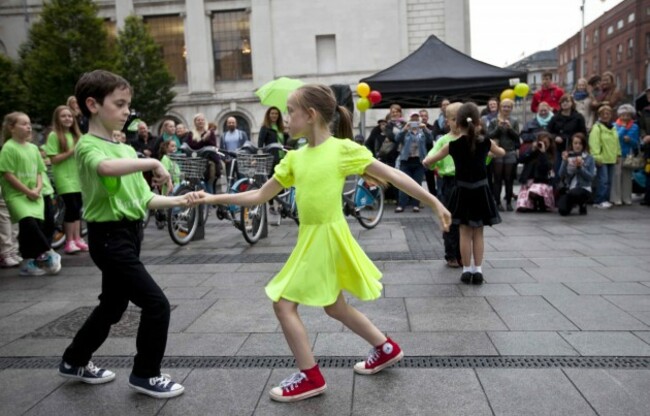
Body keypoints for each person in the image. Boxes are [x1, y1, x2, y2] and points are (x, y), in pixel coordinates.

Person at [198, 84, 451, 402]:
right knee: (335, 306)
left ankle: (310, 376)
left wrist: (433, 201)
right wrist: (212, 196)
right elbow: (259, 195)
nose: (285, 119)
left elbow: (395, 175)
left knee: (283, 304)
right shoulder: (294, 158)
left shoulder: (343, 150)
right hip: (313, 238)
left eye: (290, 112)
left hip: (326, 238)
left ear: (311, 115)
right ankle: (385, 348)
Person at [58, 70, 201, 399]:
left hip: (129, 236)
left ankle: (74, 360)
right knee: (157, 305)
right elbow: (105, 169)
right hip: (109, 240)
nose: (126, 112)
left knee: (112, 307)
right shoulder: (88, 146)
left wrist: (180, 200)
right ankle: (146, 374)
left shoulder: (123, 150)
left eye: (128, 105)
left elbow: (144, 199)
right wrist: (150, 163)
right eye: (119, 104)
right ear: (92, 104)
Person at [424, 102, 505, 285]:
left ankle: (466, 270)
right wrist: (490, 153)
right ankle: (478, 270)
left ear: (457, 123)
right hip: (481, 190)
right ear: (477, 123)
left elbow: (429, 161)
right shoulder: (485, 142)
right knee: (479, 233)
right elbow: (501, 152)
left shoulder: (452, 145)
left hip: (461, 190)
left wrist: (427, 162)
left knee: (464, 232)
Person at [0, 112, 61, 276]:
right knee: (28, 222)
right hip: (17, 195)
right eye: (24, 124)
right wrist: (28, 191)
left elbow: (40, 171)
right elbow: (8, 174)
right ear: (12, 128)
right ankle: (49, 253)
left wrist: (37, 189)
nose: (28, 127)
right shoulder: (9, 148)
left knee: (32, 228)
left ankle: (28, 262)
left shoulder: (33, 148)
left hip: (34, 194)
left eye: (29, 124)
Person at [422, 102, 462, 268]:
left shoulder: (471, 139)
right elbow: (429, 160)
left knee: (466, 222)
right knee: (449, 218)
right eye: (454, 119)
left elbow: (486, 158)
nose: (458, 123)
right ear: (447, 121)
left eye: (461, 119)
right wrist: (432, 163)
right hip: (448, 183)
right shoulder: (443, 140)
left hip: (467, 183)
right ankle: (451, 254)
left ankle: (463, 254)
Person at [44, 105, 87, 254]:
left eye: (69, 116)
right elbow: (54, 159)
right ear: (57, 119)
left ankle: (78, 238)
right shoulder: (54, 135)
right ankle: (69, 241)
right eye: (63, 116)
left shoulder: (77, 135)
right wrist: (71, 151)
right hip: (64, 177)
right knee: (71, 208)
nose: (67, 119)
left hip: (77, 177)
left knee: (77, 209)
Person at [394, 112, 433, 212]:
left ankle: (416, 204)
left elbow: (430, 140)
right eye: (413, 119)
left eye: (416, 119)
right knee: (403, 183)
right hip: (406, 161)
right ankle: (401, 205)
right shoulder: (406, 131)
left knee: (417, 184)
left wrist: (425, 128)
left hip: (418, 161)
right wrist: (405, 128)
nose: (415, 121)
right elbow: (397, 139)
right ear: (410, 120)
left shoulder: (422, 131)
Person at [486, 98, 520, 211]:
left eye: (508, 107)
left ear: (511, 108)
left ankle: (509, 202)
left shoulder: (514, 121)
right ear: (500, 107)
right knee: (498, 178)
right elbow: (489, 136)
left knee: (509, 179)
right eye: (504, 106)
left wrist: (510, 129)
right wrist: (499, 128)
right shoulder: (493, 121)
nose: (506, 108)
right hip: (497, 152)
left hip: (510, 152)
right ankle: (497, 202)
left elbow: (517, 138)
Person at [589, 105, 620, 209]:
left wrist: (618, 155)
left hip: (611, 158)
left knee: (609, 181)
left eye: (608, 114)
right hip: (602, 158)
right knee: (603, 181)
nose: (606, 116)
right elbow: (594, 143)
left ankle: (605, 199)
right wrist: (597, 157)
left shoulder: (613, 127)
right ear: (599, 115)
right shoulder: (596, 127)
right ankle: (599, 200)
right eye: (603, 114)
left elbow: (617, 142)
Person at [515, 131, 556, 212]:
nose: (543, 144)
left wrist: (543, 153)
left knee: (535, 191)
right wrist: (532, 150)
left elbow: (545, 167)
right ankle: (533, 203)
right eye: (541, 142)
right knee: (522, 208)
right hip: (528, 182)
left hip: (542, 182)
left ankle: (541, 202)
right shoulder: (532, 151)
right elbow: (521, 160)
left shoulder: (550, 155)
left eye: (546, 142)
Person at [547, 94, 587, 176]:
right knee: (558, 171)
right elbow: (548, 132)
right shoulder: (555, 118)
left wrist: (577, 139)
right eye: (562, 102)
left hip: (574, 147)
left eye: (567, 101)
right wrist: (555, 137)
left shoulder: (578, 117)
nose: (564, 103)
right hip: (559, 148)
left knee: (573, 171)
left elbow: (583, 133)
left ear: (572, 103)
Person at [557, 133, 596, 215]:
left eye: (580, 143)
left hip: (584, 188)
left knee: (575, 193)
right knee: (562, 211)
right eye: (575, 143)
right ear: (572, 144)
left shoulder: (589, 158)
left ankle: (582, 204)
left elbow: (590, 177)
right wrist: (564, 161)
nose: (577, 146)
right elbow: (560, 174)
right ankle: (573, 204)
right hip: (570, 188)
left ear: (584, 145)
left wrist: (580, 168)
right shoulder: (568, 155)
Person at [612, 104, 640, 206]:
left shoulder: (635, 126)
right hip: (617, 154)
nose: (625, 117)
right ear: (619, 115)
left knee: (627, 177)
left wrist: (630, 140)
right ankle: (616, 198)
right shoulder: (614, 125)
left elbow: (636, 142)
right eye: (623, 115)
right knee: (617, 176)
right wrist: (623, 128)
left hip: (629, 155)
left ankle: (627, 197)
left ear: (631, 116)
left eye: (627, 115)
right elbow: (616, 137)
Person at [186, 113, 220, 194]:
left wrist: (206, 139)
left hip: (209, 162)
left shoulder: (210, 133)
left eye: (202, 120)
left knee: (209, 183)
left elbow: (213, 146)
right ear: (195, 122)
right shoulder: (191, 133)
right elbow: (193, 147)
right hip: (197, 162)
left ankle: (210, 204)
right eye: (198, 120)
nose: (200, 122)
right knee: (200, 184)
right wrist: (203, 140)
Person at [419, 109, 437, 196]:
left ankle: (433, 195)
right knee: (418, 178)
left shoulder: (431, 127)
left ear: (428, 117)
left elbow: (431, 139)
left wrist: (424, 128)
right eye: (421, 116)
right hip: (418, 156)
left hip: (429, 156)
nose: (423, 118)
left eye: (425, 116)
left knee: (430, 179)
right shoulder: (415, 127)